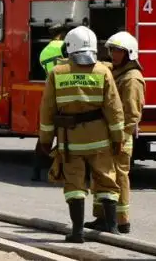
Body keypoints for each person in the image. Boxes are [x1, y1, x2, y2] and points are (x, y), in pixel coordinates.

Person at [38, 26, 125, 241]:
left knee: (75, 186)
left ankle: (77, 232)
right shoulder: (103, 71)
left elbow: (47, 110)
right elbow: (114, 109)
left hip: (71, 141)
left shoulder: (57, 73)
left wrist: (45, 141)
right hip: (100, 139)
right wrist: (118, 139)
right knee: (106, 180)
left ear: (69, 47)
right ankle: (112, 229)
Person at [85, 31, 145, 234]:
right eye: (112, 50)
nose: (113, 55)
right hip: (108, 135)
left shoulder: (131, 79)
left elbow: (131, 114)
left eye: (118, 51)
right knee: (103, 177)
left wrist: (119, 137)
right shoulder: (117, 71)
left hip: (120, 137)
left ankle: (121, 220)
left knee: (118, 178)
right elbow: (103, 66)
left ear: (129, 53)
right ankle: (102, 217)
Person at [32, 22, 70, 181]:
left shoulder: (43, 52)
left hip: (50, 93)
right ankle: (64, 169)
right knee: (66, 134)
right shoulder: (64, 46)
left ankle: (36, 170)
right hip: (66, 91)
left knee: (45, 135)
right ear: (62, 34)